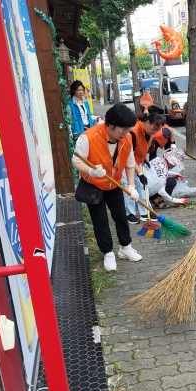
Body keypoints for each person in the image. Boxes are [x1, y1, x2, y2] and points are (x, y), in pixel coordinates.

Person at [71, 104, 142, 272]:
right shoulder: (88, 137)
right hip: (93, 185)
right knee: (100, 220)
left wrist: (131, 186)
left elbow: (130, 163)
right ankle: (108, 252)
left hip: (114, 183)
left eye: (128, 129)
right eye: (123, 129)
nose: (126, 133)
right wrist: (90, 171)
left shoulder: (127, 138)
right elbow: (76, 160)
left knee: (121, 216)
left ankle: (125, 248)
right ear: (110, 125)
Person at [122, 110, 164, 224]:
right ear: (147, 122)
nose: (154, 132)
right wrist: (139, 173)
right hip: (125, 162)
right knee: (128, 187)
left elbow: (143, 148)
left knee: (142, 186)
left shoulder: (148, 133)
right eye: (154, 128)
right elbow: (128, 155)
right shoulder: (133, 132)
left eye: (157, 130)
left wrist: (144, 159)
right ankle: (129, 213)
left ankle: (146, 211)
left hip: (138, 161)